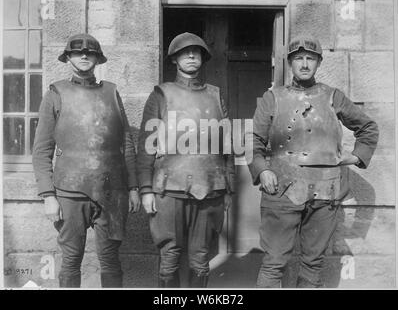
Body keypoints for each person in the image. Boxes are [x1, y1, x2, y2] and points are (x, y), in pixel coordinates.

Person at [248, 35, 379, 288]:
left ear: (318, 63)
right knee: (274, 261)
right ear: (290, 63)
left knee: (313, 263)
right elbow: (254, 140)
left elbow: (368, 127)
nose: (305, 64)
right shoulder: (273, 97)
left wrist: (354, 156)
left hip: (324, 193)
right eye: (299, 58)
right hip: (281, 191)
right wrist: (262, 170)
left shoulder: (333, 97)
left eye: (310, 58)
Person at [32, 33, 141, 288]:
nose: (83, 56)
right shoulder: (55, 93)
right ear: (68, 57)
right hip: (70, 192)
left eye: (89, 53)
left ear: (97, 58)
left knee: (111, 259)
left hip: (112, 191)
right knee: (71, 258)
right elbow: (42, 150)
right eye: (77, 52)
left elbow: (125, 143)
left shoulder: (112, 92)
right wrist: (48, 195)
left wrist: (133, 187)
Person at [137, 32, 235, 288]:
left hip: (210, 191)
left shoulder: (216, 96)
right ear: (174, 59)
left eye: (197, 52)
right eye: (185, 52)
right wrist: (146, 190)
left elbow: (228, 148)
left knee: (201, 259)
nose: (191, 56)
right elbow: (146, 147)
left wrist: (228, 189)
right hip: (169, 191)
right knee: (169, 257)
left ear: (203, 58)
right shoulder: (161, 94)